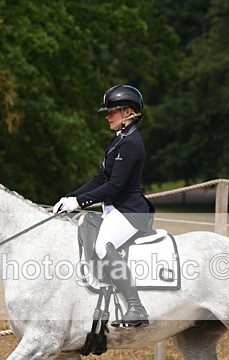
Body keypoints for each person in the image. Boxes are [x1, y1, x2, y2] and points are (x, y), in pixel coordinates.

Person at [53, 84, 155, 327]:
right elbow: (99, 179)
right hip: (115, 210)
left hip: (130, 212)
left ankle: (135, 307)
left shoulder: (131, 144)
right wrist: (69, 198)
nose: (107, 116)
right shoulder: (117, 141)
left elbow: (114, 187)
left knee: (102, 246)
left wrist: (79, 202)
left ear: (129, 113)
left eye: (112, 111)